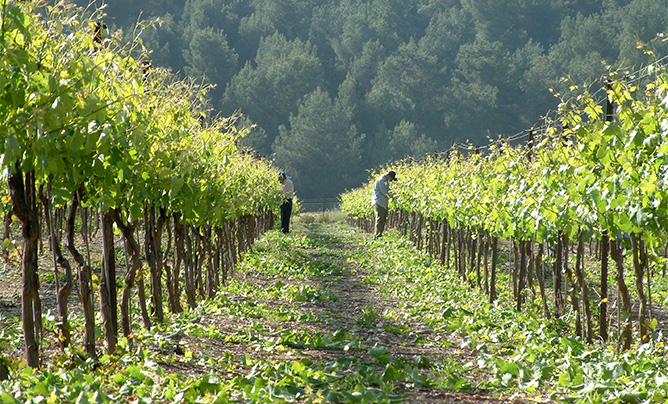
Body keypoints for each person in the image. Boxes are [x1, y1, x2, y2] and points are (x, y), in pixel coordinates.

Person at [371, 170, 396, 239]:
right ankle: (377, 236)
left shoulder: (384, 180)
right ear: (388, 176)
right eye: (391, 178)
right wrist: (395, 196)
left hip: (382, 202)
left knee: (382, 219)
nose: (391, 180)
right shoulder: (382, 181)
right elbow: (386, 192)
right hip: (379, 202)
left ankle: (379, 235)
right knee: (380, 219)